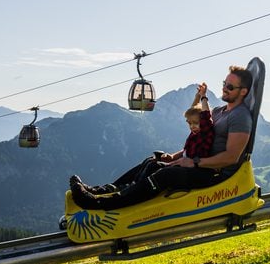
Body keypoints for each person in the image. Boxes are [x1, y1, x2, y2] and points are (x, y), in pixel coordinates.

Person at [70, 65, 253, 211]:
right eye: (224, 84)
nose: (224, 89)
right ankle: (103, 191)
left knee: (165, 174)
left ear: (243, 91)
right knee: (153, 162)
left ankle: (99, 204)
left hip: (213, 173)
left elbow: (231, 157)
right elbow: (200, 137)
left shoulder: (240, 116)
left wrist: (194, 162)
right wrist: (174, 157)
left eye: (230, 87)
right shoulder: (220, 111)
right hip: (199, 163)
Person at [70, 83, 215, 196]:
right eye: (189, 124)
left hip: (191, 170)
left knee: (154, 167)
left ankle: (129, 189)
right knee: (150, 161)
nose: (192, 126)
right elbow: (186, 148)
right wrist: (171, 156)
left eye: (196, 123)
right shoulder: (195, 134)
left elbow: (205, 117)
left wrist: (203, 97)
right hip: (181, 164)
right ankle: (112, 187)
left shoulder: (205, 133)